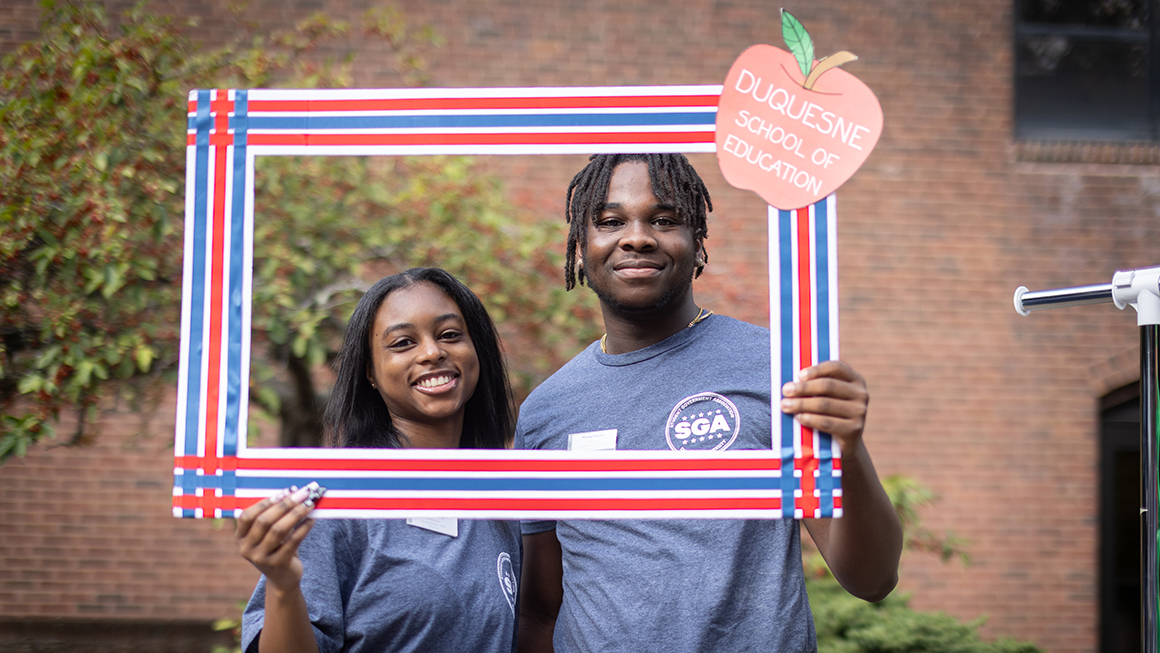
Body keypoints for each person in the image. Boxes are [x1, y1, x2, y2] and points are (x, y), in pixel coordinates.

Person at [516, 154, 903, 652]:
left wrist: (848, 451)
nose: (637, 237)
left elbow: (872, 580)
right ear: (580, 244)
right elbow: (540, 610)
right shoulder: (547, 409)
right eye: (611, 222)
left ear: (697, 239)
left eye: (664, 219)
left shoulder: (779, 370)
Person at [236, 267, 521, 653]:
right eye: (403, 343)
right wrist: (284, 585)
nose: (432, 352)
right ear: (370, 372)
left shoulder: (507, 498)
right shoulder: (335, 500)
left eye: (450, 335)